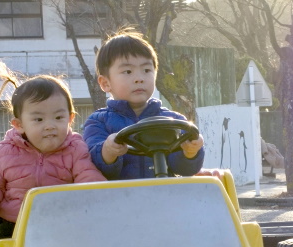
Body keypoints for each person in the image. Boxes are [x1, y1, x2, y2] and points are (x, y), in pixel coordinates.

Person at [0, 62, 106, 238]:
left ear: (70, 119)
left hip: (63, 226)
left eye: (58, 117)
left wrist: (99, 196)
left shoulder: (75, 148)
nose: (50, 126)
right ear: (19, 125)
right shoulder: (5, 151)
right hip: (13, 225)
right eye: (39, 119)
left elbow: (88, 178)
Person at [83, 29, 205, 180]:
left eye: (146, 70)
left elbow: (185, 170)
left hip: (165, 196)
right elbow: (93, 168)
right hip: (120, 199)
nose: (139, 78)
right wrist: (108, 151)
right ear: (105, 83)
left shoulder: (173, 121)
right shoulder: (98, 121)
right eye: (128, 72)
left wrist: (191, 152)